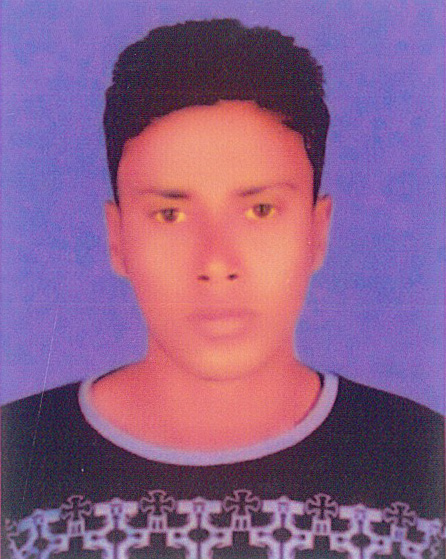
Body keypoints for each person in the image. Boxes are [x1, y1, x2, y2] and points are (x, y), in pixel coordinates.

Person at [2, 19, 444, 559]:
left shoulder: (426, 467)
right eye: (170, 214)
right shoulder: (14, 464)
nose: (216, 262)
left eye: (261, 210)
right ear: (118, 239)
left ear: (316, 231)